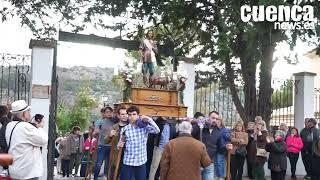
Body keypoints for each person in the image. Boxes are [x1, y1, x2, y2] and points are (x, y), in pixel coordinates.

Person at [5, 100, 48, 180]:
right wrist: (40, 128)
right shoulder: (25, 127)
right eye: (28, 111)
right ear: (24, 114)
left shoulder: (9, 125)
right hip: (27, 173)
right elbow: (43, 140)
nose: (30, 113)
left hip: (15, 169)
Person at [117, 106, 160, 180]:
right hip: (128, 161)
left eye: (134, 114)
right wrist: (119, 145)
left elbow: (157, 130)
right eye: (130, 115)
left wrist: (148, 119)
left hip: (141, 161)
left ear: (138, 115)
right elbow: (119, 145)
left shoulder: (144, 127)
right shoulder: (125, 129)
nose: (132, 117)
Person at [192, 110, 222, 180]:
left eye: (217, 119)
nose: (214, 120)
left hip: (209, 163)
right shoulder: (198, 127)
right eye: (213, 118)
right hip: (196, 163)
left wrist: (226, 147)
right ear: (208, 117)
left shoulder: (218, 132)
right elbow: (188, 138)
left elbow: (220, 147)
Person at [104, 105, 129, 179]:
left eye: (126, 114)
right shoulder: (114, 127)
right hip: (116, 157)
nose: (125, 116)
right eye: (122, 114)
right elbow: (106, 141)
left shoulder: (131, 127)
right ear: (118, 116)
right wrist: (110, 135)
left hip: (128, 157)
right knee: (113, 176)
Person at [93, 106, 116, 180]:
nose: (109, 113)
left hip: (112, 146)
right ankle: (95, 177)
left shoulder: (114, 122)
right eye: (107, 112)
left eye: (110, 112)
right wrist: (96, 132)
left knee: (109, 164)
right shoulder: (100, 121)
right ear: (104, 113)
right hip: (102, 145)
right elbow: (95, 132)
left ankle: (106, 177)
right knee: (99, 163)